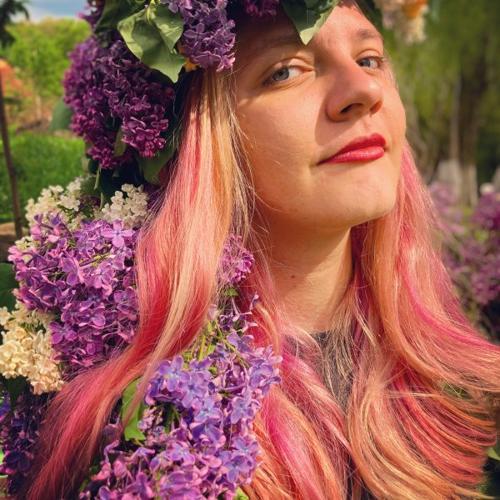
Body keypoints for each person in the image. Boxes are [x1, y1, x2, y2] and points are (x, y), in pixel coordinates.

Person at [25, 1, 500, 499]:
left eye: (369, 59)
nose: (364, 91)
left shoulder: (468, 387)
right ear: (201, 140)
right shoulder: (148, 443)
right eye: (285, 71)